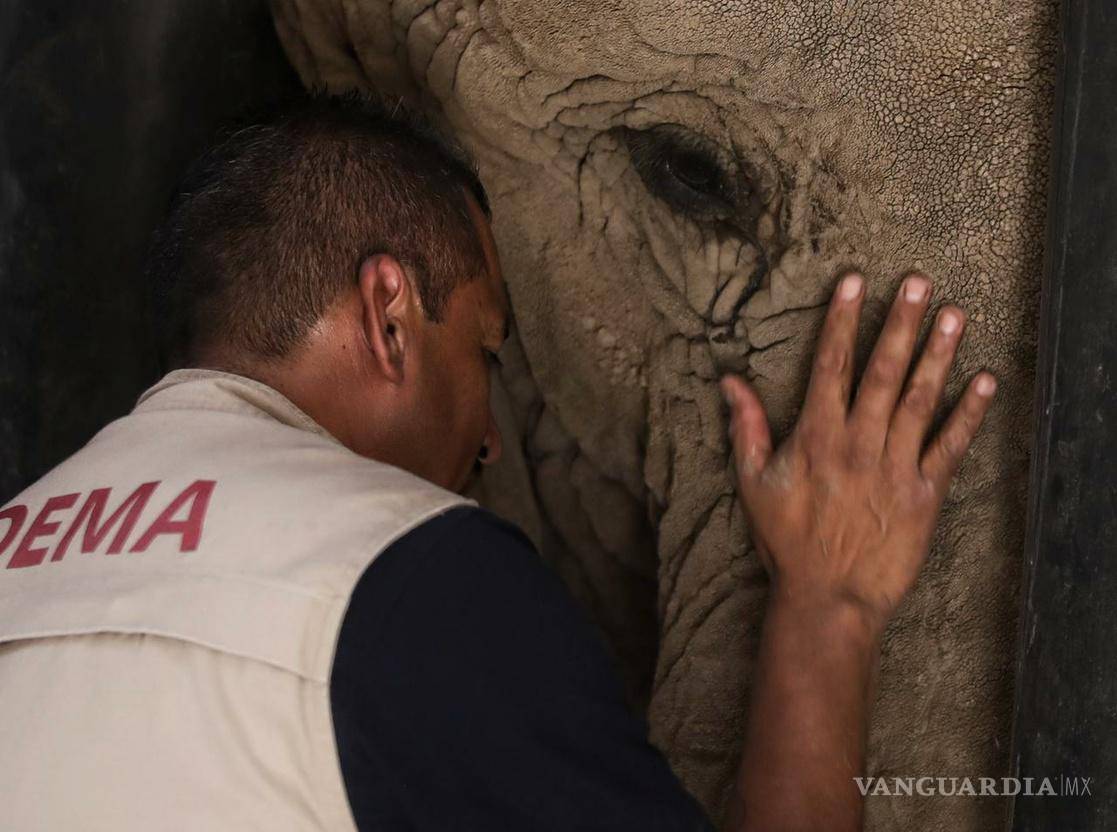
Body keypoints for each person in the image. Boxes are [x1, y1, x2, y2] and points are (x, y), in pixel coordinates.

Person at [0, 93, 995, 831]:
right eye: (483, 352)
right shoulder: (405, 572)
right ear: (390, 315)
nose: (486, 441)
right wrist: (831, 603)